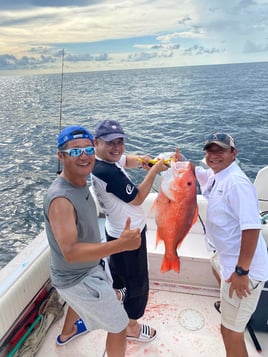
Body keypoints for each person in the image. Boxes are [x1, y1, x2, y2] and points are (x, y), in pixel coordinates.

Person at [43, 125, 142, 357]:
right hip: (78, 279)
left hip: (87, 269)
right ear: (61, 156)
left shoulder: (79, 181)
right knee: (118, 326)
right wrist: (121, 245)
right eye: (75, 151)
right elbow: (71, 252)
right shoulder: (61, 199)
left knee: (80, 305)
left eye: (88, 149)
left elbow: (122, 161)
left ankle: (66, 334)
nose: (84, 155)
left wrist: (147, 162)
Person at [186, 132, 268, 357]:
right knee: (228, 319)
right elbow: (196, 171)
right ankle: (227, 304)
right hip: (225, 258)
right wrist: (177, 162)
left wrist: (242, 271)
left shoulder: (236, 183)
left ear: (234, 153)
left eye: (220, 150)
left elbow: (252, 228)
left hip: (242, 270)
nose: (214, 155)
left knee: (230, 332)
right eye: (210, 150)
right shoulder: (217, 175)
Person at [91, 119, 168, 342]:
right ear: (96, 143)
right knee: (139, 283)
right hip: (131, 235)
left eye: (120, 142)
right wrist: (154, 171)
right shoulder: (108, 172)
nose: (117, 148)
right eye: (110, 143)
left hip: (115, 230)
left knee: (120, 274)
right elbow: (137, 198)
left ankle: (119, 292)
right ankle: (132, 327)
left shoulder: (102, 163)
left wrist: (146, 161)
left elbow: (127, 160)